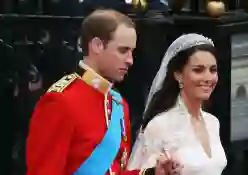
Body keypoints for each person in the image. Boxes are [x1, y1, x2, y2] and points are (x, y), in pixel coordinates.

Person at [26, 9, 182, 175]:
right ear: (97, 46)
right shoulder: (60, 100)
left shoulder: (118, 102)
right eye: (123, 51)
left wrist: (153, 173)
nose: (130, 60)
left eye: (132, 52)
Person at [127, 34, 227, 175]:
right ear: (178, 74)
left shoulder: (213, 122)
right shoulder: (160, 125)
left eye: (213, 70)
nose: (208, 78)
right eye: (198, 70)